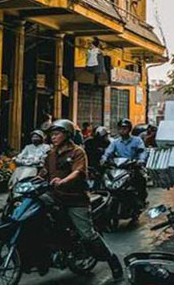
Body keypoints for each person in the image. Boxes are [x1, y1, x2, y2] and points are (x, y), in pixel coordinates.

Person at [40, 119, 123, 280]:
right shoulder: (50, 153)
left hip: (74, 199)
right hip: (54, 196)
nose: (53, 137)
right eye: (51, 134)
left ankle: (112, 261)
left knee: (87, 234)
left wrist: (63, 181)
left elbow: (78, 171)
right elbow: (44, 171)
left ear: (67, 134)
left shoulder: (77, 152)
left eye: (57, 134)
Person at [102, 119, 149, 202]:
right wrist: (104, 159)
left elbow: (142, 152)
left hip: (133, 167)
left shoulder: (137, 140)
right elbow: (108, 152)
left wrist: (141, 160)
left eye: (124, 128)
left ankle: (141, 200)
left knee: (141, 179)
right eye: (120, 128)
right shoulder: (115, 142)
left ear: (129, 129)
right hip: (119, 168)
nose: (122, 131)